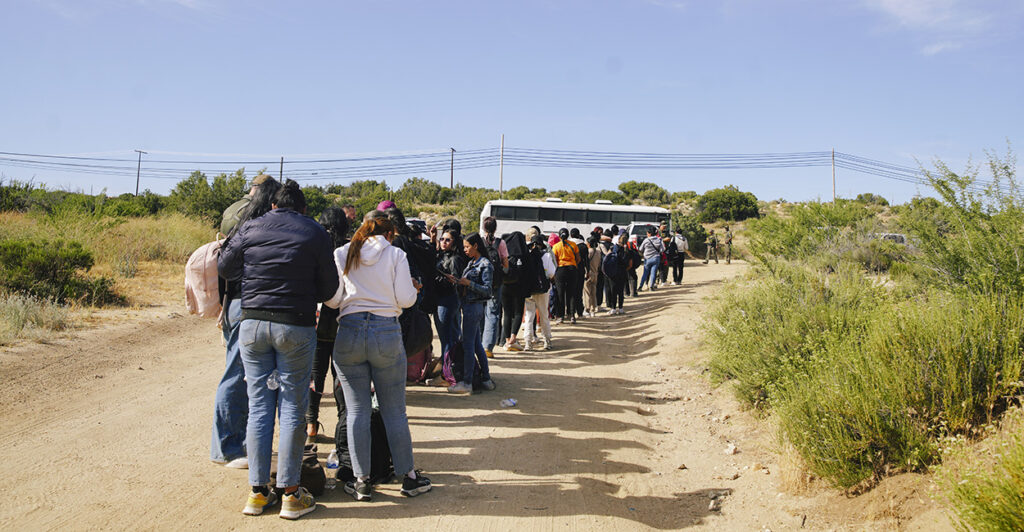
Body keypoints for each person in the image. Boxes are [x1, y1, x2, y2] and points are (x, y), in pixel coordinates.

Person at [218, 179, 338, 519]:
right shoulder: (314, 232)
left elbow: (225, 266)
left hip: (252, 325)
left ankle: (257, 494)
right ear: (301, 208)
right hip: (295, 325)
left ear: (272, 205)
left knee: (259, 407)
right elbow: (330, 288)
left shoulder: (251, 227)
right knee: (291, 407)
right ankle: (289, 493)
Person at [324, 212, 432, 501]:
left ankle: (360, 480)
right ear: (389, 234)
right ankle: (408, 477)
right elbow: (407, 299)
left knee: (356, 411)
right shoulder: (395, 254)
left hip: (349, 331)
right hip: (386, 332)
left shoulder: (343, 252)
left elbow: (333, 300)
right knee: (394, 411)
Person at [210, 175, 280, 469]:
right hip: (249, 301)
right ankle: (228, 447)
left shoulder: (233, 212)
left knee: (240, 371)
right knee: (238, 374)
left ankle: (238, 442)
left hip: (232, 301)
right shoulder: (260, 218)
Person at [305, 207, 349, 445]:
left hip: (317, 318)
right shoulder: (348, 249)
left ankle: (311, 424)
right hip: (343, 318)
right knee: (340, 375)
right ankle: (343, 426)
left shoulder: (313, 245)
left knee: (315, 375)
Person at [446, 233, 496, 394]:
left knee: (468, 346)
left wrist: (469, 283)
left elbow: (488, 290)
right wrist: (458, 281)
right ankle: (486, 379)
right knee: (476, 345)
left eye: (467, 246)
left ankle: (467, 382)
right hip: (469, 306)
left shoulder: (485, 264)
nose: (465, 250)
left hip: (473, 308)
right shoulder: (473, 262)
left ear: (476, 246)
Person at [433, 229, 465, 358]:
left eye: (447, 240)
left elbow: (455, 282)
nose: (443, 242)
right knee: (446, 337)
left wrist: (439, 279)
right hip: (441, 299)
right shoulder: (440, 255)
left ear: (454, 242)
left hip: (448, 300)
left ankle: (448, 371)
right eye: (442, 239)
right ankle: (448, 368)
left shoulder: (455, 259)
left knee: (447, 338)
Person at [520, 234, 555, 350]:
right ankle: (547, 341)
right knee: (544, 314)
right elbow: (551, 273)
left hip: (528, 290)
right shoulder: (546, 256)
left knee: (529, 316)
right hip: (542, 290)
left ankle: (528, 343)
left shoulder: (527, 256)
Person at [480, 217, 509, 357]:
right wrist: (502, 273)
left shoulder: (479, 241)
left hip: (480, 282)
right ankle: (488, 347)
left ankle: (478, 343)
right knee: (493, 313)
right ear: (495, 228)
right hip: (496, 282)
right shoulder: (500, 243)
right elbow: (505, 262)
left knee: (479, 311)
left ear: (484, 228)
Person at [552, 228, 580, 324]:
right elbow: (578, 258)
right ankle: (572, 316)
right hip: (572, 269)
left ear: (559, 236)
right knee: (572, 293)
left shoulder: (556, 246)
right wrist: (573, 264)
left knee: (560, 294)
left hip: (560, 270)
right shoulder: (573, 245)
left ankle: (560, 316)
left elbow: (554, 260)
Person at [605, 234, 628, 315]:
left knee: (613, 290)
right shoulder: (626, 250)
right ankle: (621, 308)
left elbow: (607, 258)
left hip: (613, 272)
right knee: (620, 291)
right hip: (623, 272)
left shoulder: (613, 248)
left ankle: (613, 308)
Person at [638, 226, 665, 292]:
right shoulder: (659, 240)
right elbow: (663, 249)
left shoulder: (646, 240)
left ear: (649, 233)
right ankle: (651, 287)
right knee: (653, 273)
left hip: (647, 259)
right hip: (656, 258)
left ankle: (640, 287)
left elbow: (640, 249)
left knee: (645, 273)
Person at [583, 235, 602, 317]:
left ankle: (587, 309)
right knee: (594, 292)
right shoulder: (598, 252)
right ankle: (593, 309)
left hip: (588, 273)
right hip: (595, 273)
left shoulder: (588, 252)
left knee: (587, 292)